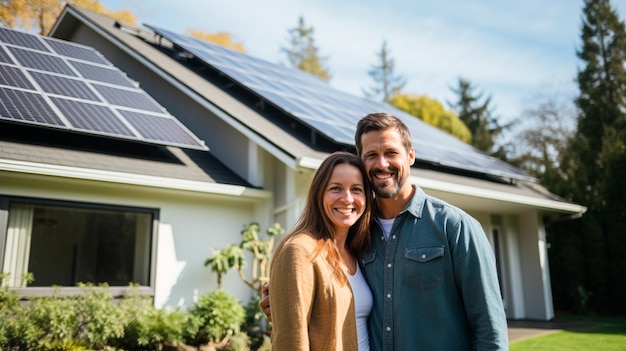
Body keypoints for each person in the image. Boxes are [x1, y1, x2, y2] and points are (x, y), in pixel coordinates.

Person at [263, 112, 508, 350]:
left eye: (391, 152)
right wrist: (287, 304)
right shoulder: (357, 235)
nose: (382, 163)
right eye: (372, 155)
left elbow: (490, 332)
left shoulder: (455, 227)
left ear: (410, 156)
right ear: (362, 161)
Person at [268, 151, 374, 350]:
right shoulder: (300, 251)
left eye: (357, 189)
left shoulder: (358, 252)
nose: (347, 198)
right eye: (336, 188)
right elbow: (291, 341)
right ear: (319, 194)